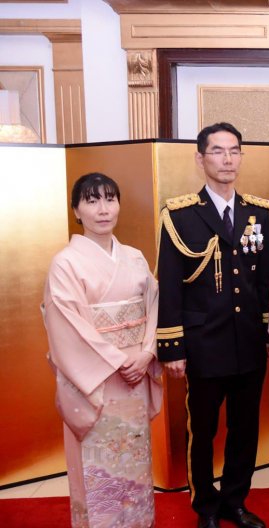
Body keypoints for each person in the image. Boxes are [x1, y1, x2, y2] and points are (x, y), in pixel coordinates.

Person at [156, 122, 269, 528]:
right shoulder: (180, 214)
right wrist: (173, 348)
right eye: (218, 151)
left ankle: (236, 501)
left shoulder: (259, 211)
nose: (227, 159)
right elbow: (169, 284)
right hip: (204, 344)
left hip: (248, 343)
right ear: (200, 158)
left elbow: (265, 279)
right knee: (202, 432)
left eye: (234, 151)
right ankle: (205, 506)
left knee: (245, 430)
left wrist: (268, 332)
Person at [42, 172, 162, 528]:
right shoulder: (65, 263)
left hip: (135, 371)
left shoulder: (135, 257)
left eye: (110, 199)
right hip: (95, 381)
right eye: (91, 200)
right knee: (100, 462)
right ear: (76, 210)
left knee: (134, 457)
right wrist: (118, 360)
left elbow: (153, 307)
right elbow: (65, 323)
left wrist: (147, 352)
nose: (103, 209)